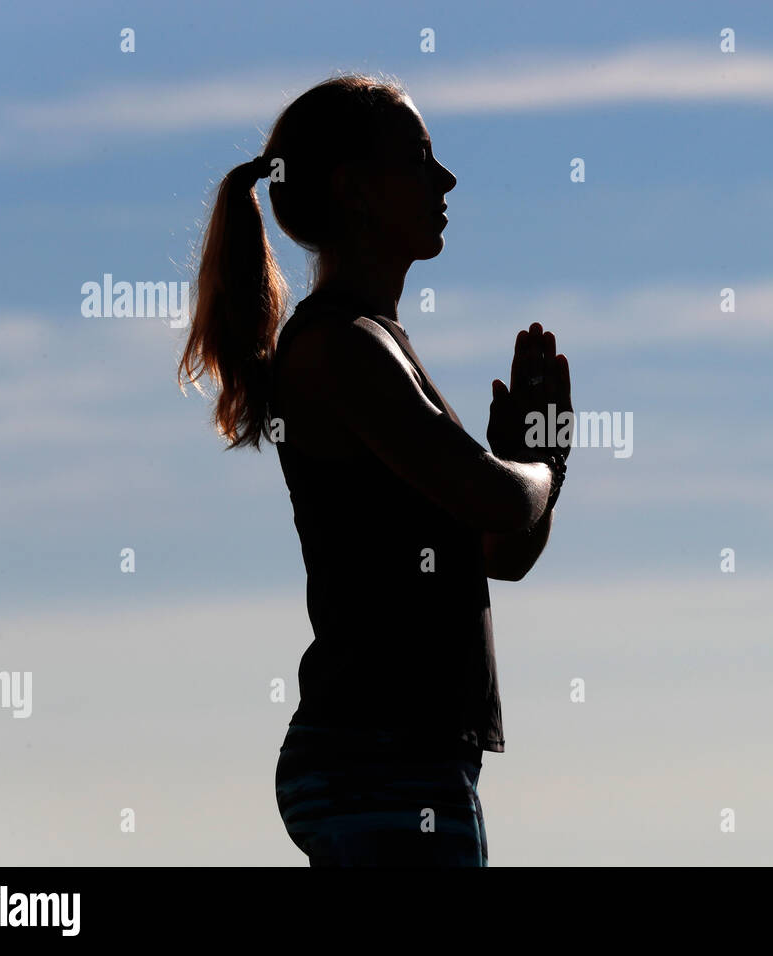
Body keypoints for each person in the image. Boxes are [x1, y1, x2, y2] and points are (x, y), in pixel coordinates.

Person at [177, 74, 572, 866]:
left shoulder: (371, 343)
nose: (446, 180)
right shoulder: (340, 346)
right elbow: (500, 499)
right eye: (421, 159)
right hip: (381, 759)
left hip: (408, 758)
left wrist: (542, 454)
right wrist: (532, 462)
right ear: (355, 191)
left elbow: (503, 552)